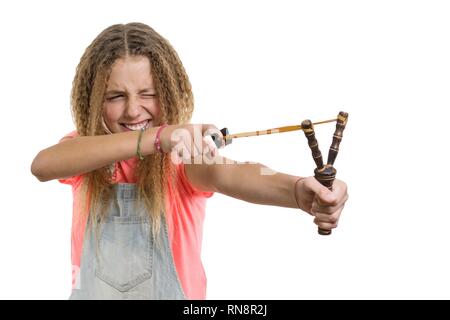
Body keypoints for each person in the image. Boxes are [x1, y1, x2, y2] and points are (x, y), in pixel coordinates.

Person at [31, 22, 348, 300]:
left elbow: (233, 174)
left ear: (169, 91)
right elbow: (43, 165)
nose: (132, 110)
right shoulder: (87, 153)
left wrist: (295, 190)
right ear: (94, 99)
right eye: (115, 96)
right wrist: (158, 137)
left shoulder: (181, 158)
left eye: (148, 93)